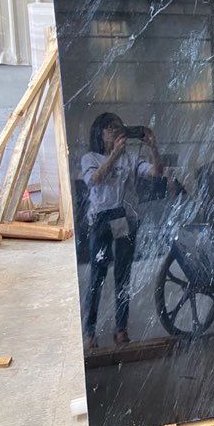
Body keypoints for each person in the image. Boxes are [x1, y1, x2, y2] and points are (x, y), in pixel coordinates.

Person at [81, 112, 162, 349]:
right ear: (99, 134)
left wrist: (153, 147)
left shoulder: (130, 158)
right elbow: (94, 180)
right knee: (97, 276)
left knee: (123, 276)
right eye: (110, 128)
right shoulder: (90, 158)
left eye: (118, 127)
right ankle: (90, 331)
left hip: (125, 217)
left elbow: (156, 172)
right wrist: (115, 154)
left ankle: (121, 329)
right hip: (100, 219)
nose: (116, 131)